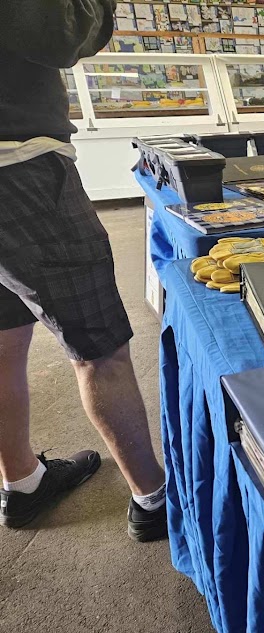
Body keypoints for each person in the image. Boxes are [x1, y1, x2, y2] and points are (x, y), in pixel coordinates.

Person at [0, 0, 167, 542]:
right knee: (101, 348)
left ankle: (22, 484)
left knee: (3, 339)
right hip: (18, 167)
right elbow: (56, 31)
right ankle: (153, 499)